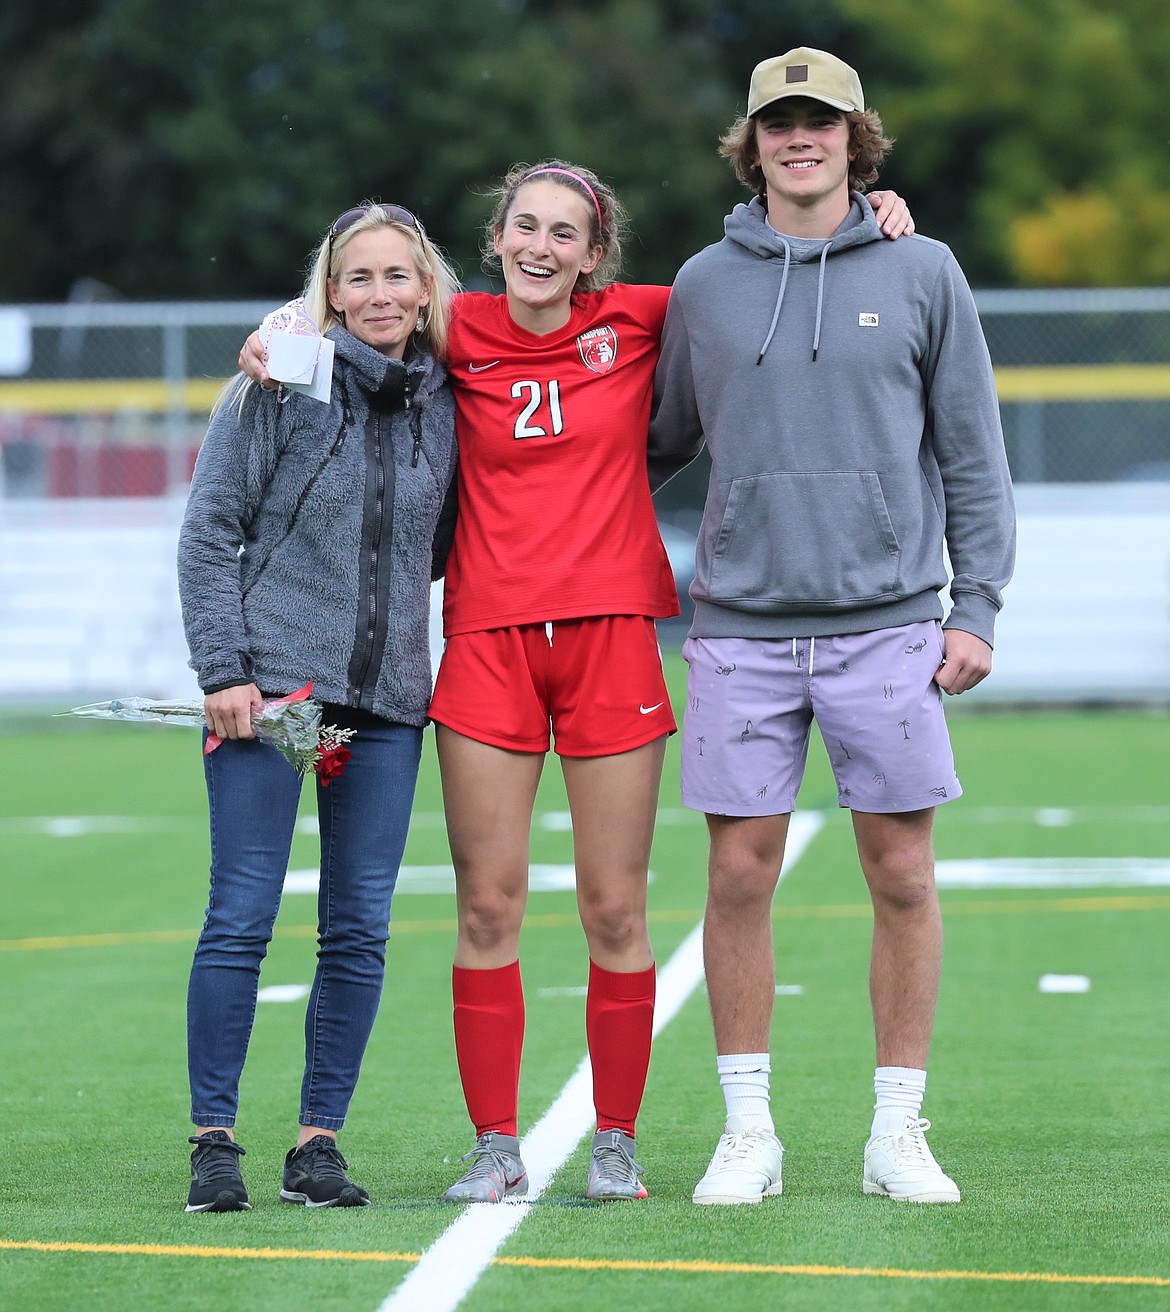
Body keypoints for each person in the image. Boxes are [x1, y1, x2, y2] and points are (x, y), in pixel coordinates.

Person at [238, 162, 913, 1204]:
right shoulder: (455, 332)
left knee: (614, 908)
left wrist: (872, 222)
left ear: (594, 253)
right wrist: (280, 328)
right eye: (525, 228)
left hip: (610, 643)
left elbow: (771, 273)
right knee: (488, 905)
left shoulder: (649, 316)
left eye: (566, 232)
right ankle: (495, 1144)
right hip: (489, 646)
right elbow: (361, 301)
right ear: (496, 240)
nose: (543, 246)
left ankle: (617, 1141)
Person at [649, 48, 1016, 1206]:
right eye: (778, 124)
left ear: (858, 140)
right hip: (742, 629)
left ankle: (895, 1130)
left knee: (903, 872)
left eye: (822, 123)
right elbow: (653, 440)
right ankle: (746, 1129)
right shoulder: (704, 281)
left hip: (890, 626)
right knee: (738, 873)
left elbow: (974, 455)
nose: (799, 139)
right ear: (750, 144)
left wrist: (980, 608)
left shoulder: (924, 269)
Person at [176, 202, 459, 1212]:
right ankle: (214, 1139)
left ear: (426, 287)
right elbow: (210, 534)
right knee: (242, 915)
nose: (380, 295)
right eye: (359, 278)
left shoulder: (447, 398)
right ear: (329, 291)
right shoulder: (276, 382)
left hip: (381, 709)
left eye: (399, 276)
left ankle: (317, 1143)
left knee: (357, 929)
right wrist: (224, 671)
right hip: (278, 697)